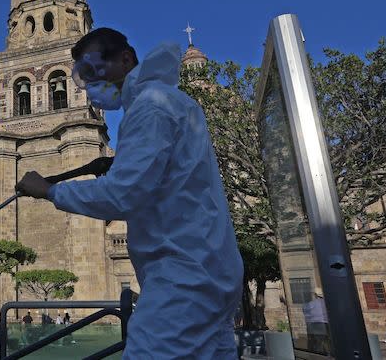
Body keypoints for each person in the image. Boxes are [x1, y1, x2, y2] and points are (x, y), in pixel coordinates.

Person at [16, 29, 244, 359]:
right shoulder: (166, 100)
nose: (91, 83)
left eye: (94, 69)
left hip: (183, 276)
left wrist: (49, 190)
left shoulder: (150, 107)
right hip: (209, 269)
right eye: (83, 76)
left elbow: (122, 195)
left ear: (125, 59)